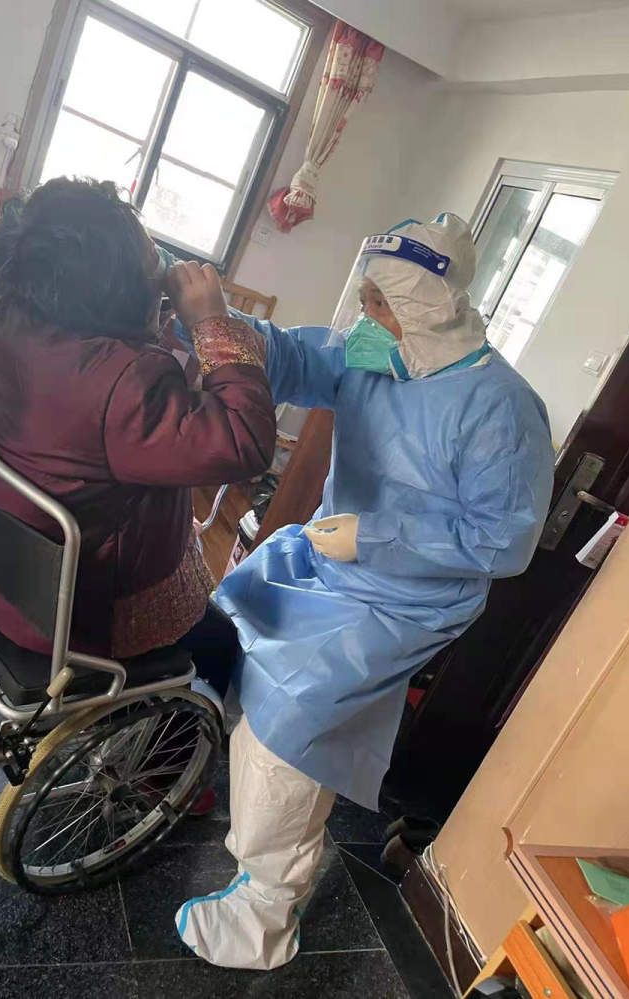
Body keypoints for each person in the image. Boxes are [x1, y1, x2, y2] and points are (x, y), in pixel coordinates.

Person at [175, 213, 555, 969]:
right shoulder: (377, 353)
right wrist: (216, 320)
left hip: (406, 598)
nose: (365, 316)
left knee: (287, 724)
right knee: (222, 630)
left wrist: (375, 538)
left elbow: (502, 541)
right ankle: (200, 777)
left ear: (425, 307)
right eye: (366, 298)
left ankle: (263, 912)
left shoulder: (502, 408)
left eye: (381, 303)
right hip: (325, 555)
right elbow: (292, 355)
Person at [0, 177, 275, 706]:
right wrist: (212, 323)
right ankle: (168, 756)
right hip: (71, 617)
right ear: (117, 285)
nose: (161, 269)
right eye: (151, 265)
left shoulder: (17, 314)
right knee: (221, 644)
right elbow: (245, 440)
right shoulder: (127, 382)